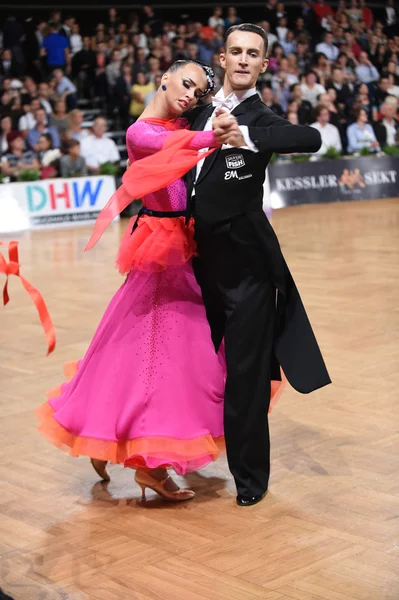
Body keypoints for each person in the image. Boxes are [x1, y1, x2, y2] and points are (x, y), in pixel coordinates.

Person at [37, 60, 278, 503]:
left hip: (183, 243)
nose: (191, 94)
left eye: (199, 90)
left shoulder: (180, 119)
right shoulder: (141, 132)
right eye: (185, 83)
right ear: (162, 79)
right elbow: (184, 144)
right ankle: (151, 463)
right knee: (162, 357)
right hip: (160, 248)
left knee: (146, 352)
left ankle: (108, 440)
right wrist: (220, 132)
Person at [185, 24, 331, 506]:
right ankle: (174, 455)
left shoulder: (261, 119)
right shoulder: (198, 110)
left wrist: (243, 135)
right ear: (222, 59)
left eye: (254, 54)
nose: (244, 59)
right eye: (236, 52)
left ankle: (250, 479)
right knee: (185, 362)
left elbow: (309, 137)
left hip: (246, 266)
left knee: (245, 374)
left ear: (264, 64)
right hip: (193, 261)